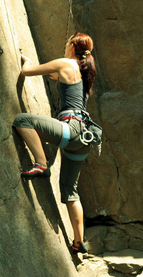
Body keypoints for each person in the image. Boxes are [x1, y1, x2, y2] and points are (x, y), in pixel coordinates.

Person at [12, 32, 97, 254]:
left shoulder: (64, 63)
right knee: (70, 190)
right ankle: (79, 241)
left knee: (22, 120)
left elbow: (27, 72)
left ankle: (41, 164)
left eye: (66, 41)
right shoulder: (83, 71)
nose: (65, 44)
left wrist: (27, 61)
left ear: (71, 46)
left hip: (70, 129)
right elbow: (57, 77)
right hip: (83, 139)